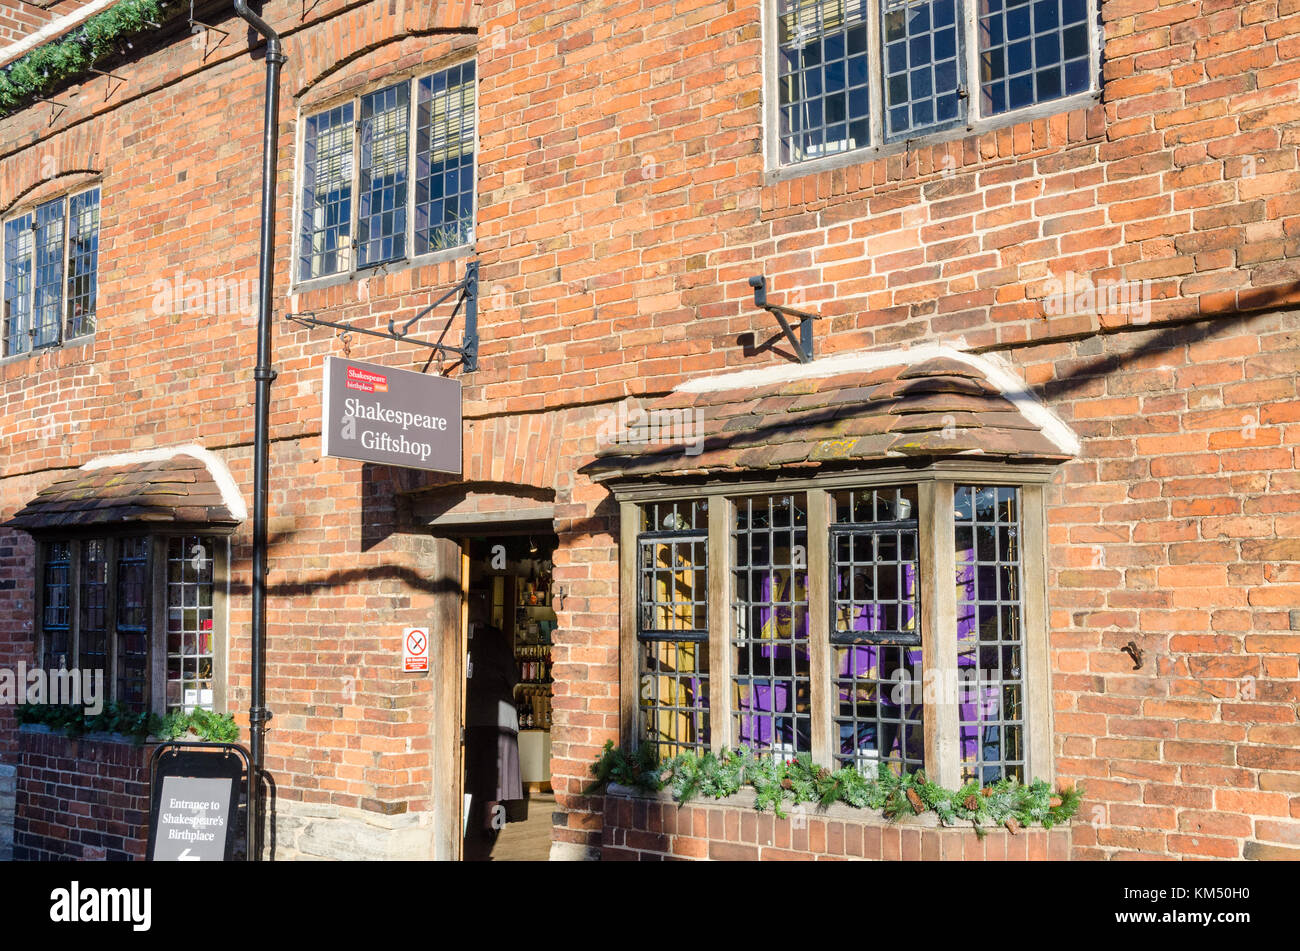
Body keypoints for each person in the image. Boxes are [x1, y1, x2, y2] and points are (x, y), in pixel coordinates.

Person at [463, 592, 523, 860]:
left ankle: (469, 821)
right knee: (495, 771)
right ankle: (490, 825)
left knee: (473, 768)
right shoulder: (495, 638)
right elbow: (513, 674)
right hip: (499, 713)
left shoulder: (461, 638)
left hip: (470, 713)